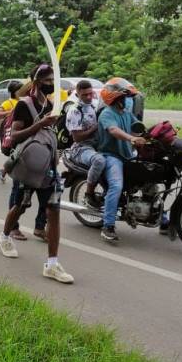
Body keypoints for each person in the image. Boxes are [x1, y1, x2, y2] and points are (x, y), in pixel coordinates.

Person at [0, 64, 74, 284]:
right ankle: (5, 237)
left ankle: (52, 264)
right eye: (48, 80)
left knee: (53, 210)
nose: (51, 84)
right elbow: (15, 136)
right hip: (28, 166)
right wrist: (40, 123)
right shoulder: (24, 104)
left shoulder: (49, 104)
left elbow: (51, 134)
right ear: (37, 81)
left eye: (53, 80)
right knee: (20, 205)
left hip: (48, 166)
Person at [96, 78, 146, 242]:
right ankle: (108, 226)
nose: (128, 101)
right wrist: (131, 138)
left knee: (150, 179)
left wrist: (154, 135)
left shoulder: (126, 114)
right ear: (116, 98)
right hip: (111, 156)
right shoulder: (107, 114)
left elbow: (139, 128)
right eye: (125, 98)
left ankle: (162, 219)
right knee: (116, 186)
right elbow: (113, 130)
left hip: (127, 155)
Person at [66, 80, 107, 209]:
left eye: (90, 93)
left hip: (97, 145)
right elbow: (77, 137)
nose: (89, 97)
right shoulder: (74, 111)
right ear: (78, 94)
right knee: (99, 161)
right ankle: (89, 194)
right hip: (81, 148)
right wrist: (94, 128)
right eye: (85, 95)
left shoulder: (94, 106)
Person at [0, 80, 23, 183]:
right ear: (14, 91)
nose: (22, 91)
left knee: (18, 153)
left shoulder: (24, 100)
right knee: (17, 153)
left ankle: (3, 171)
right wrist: (10, 112)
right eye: (20, 90)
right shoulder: (8, 103)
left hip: (23, 130)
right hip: (12, 132)